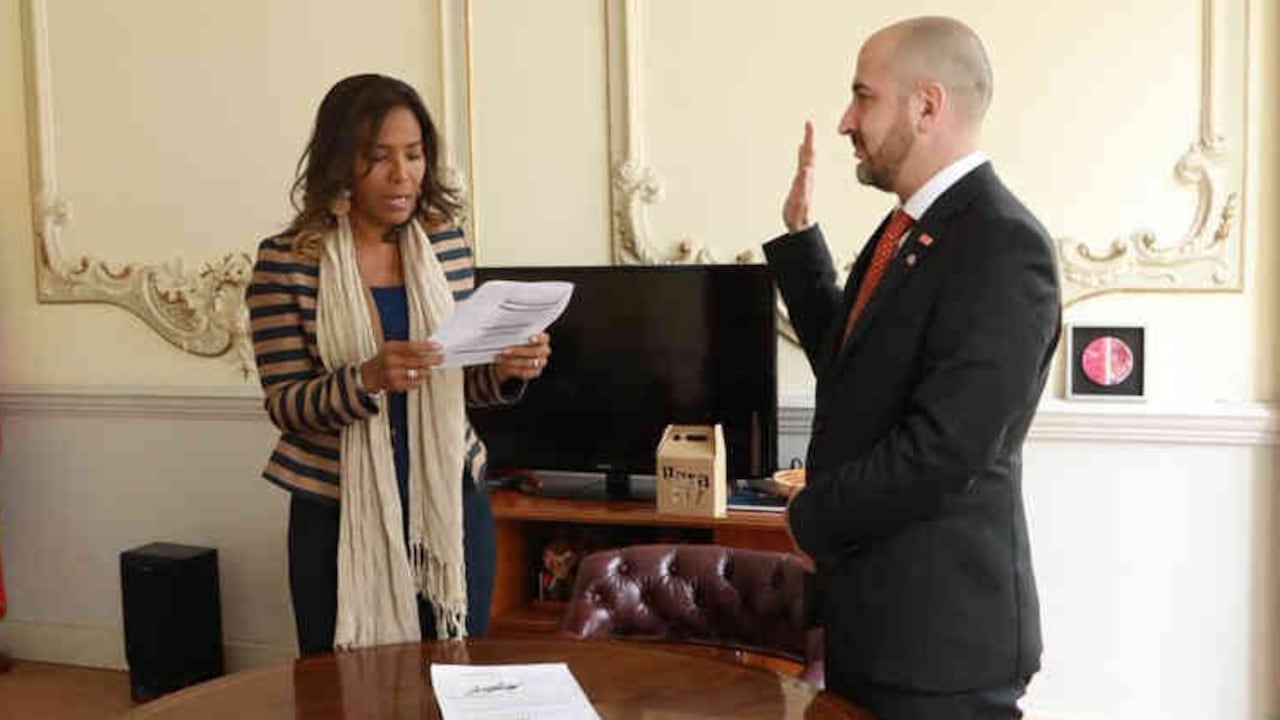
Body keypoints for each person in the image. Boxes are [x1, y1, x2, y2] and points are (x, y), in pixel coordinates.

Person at [764, 17, 1061, 719]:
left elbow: (944, 451)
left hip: (940, 648)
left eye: (862, 96)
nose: (845, 120)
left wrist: (809, 517)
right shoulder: (911, 227)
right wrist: (802, 243)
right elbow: (856, 369)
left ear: (927, 105)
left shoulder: (1002, 244)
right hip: (880, 631)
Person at [246, 73, 551, 654]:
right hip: (336, 509)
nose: (401, 174)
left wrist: (506, 369)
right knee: (341, 680)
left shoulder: (446, 244)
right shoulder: (287, 261)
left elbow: (458, 378)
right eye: (379, 157)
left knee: (457, 669)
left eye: (413, 154)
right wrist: (365, 379)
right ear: (341, 161)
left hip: (450, 498)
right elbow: (286, 405)